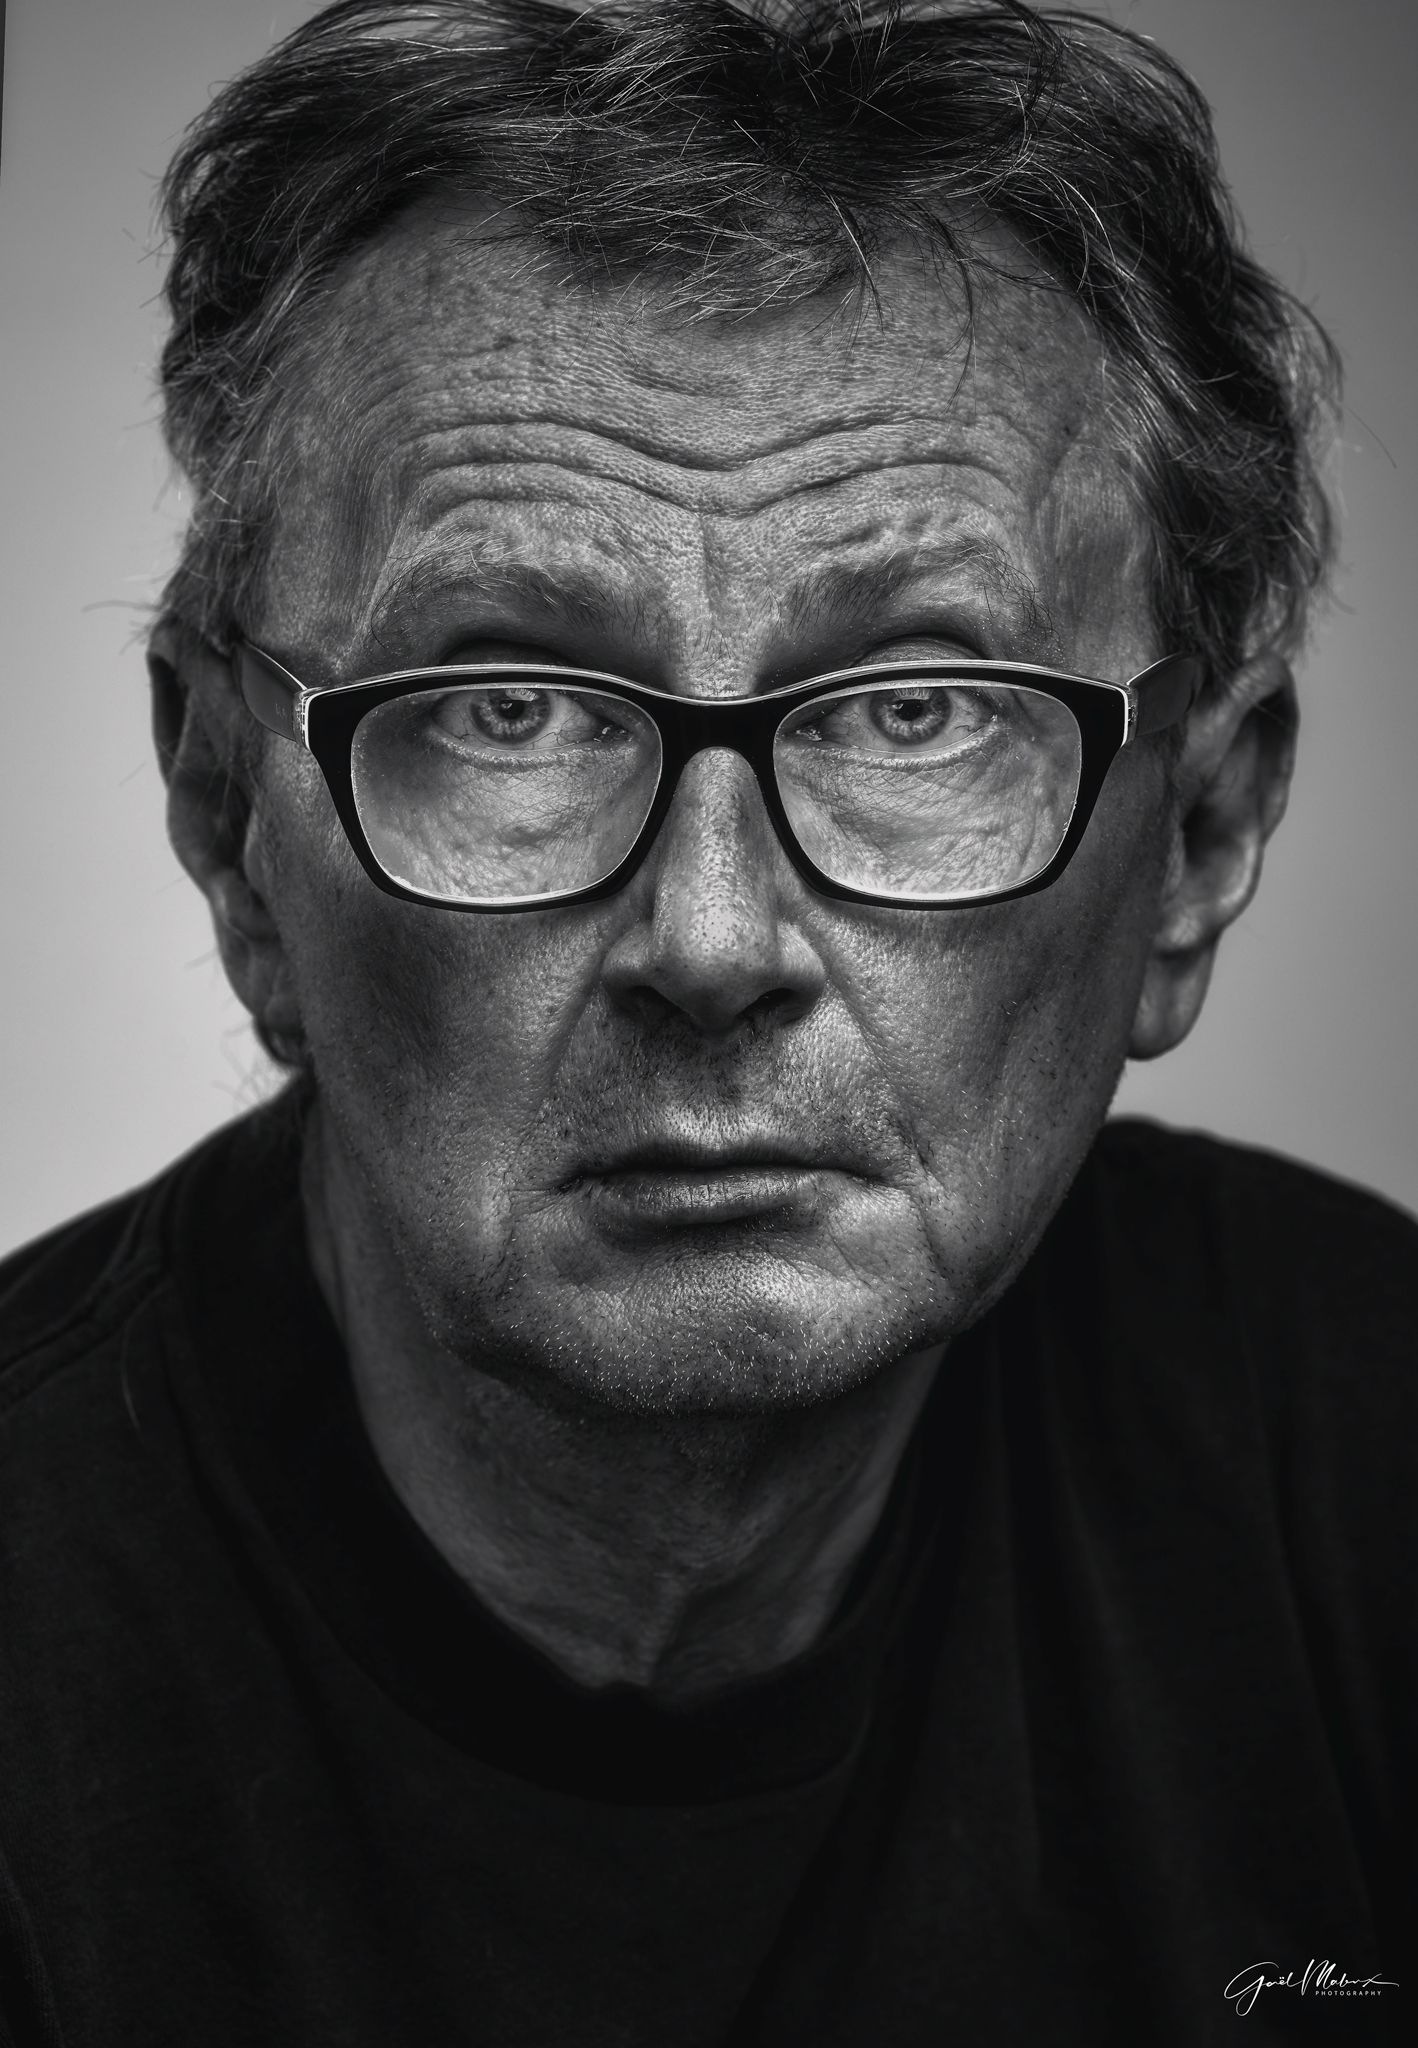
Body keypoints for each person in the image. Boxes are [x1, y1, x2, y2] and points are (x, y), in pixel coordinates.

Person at [0, 1, 1412, 2040]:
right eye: (510, 705)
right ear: (234, 823)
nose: (712, 934)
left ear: (1196, 833)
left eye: (916, 707)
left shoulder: (1367, 1470)